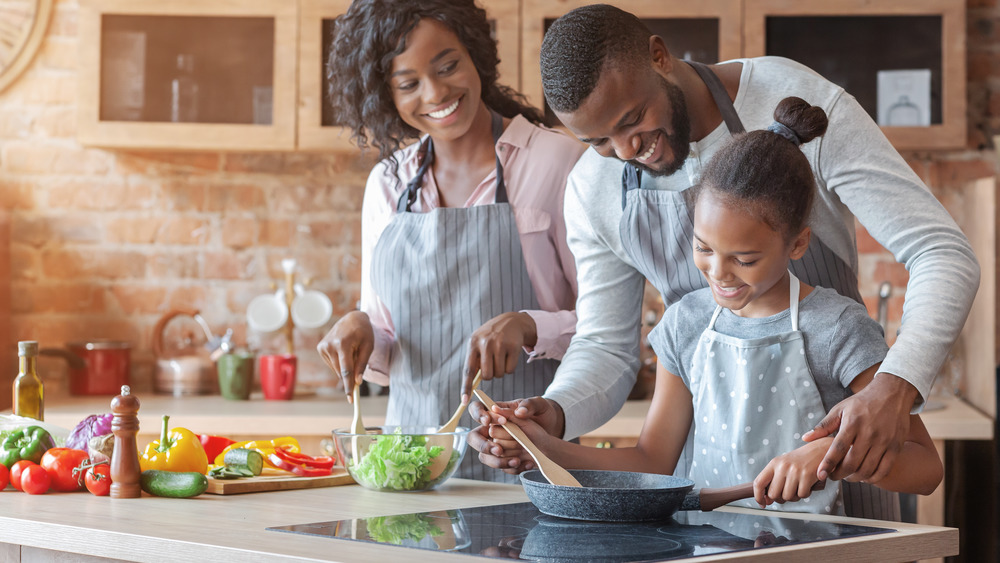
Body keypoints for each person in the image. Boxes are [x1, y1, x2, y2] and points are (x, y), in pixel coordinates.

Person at [468, 4, 977, 517]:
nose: (627, 150)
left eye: (632, 119)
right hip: (709, 503)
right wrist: (552, 419)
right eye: (598, 140)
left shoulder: (791, 101)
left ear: (660, 56)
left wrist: (893, 387)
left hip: (851, 470)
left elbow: (941, 251)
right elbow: (605, 346)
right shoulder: (596, 194)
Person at [317, 0, 585, 482]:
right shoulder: (388, 183)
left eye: (448, 66)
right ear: (385, 96)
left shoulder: (558, 163)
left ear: (475, 53)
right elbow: (387, 343)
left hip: (527, 461)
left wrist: (530, 326)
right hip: (409, 472)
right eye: (408, 83)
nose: (436, 92)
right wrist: (359, 329)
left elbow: (605, 333)